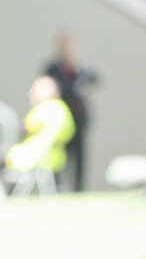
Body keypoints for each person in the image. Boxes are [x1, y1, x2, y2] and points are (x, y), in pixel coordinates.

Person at [44, 32, 97, 191]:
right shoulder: (53, 67)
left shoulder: (81, 65)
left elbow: (95, 80)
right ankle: (57, 187)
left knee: (80, 154)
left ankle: (79, 188)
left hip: (79, 116)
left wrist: (80, 69)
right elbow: (54, 86)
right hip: (61, 116)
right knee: (60, 153)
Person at [5, 76, 75, 189]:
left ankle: (2, 193)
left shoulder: (44, 108)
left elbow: (25, 128)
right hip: (57, 155)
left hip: (34, 155)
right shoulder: (63, 109)